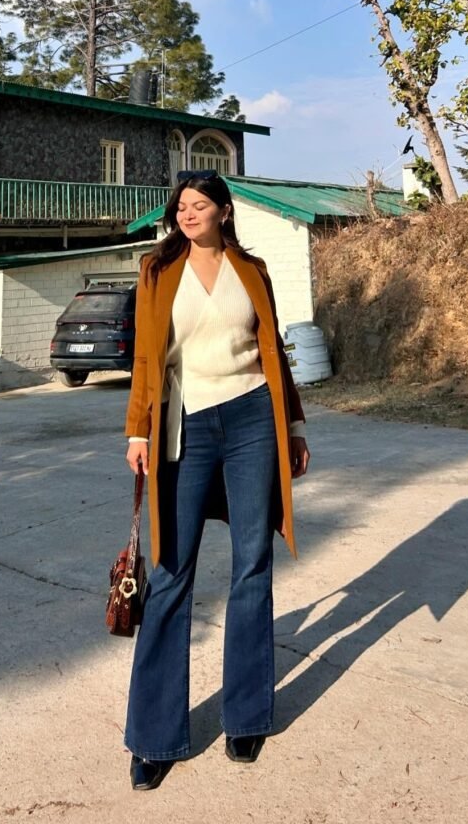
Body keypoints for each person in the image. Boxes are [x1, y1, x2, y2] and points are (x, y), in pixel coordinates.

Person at [124, 170, 310, 790]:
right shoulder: (157, 271)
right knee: (172, 570)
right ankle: (154, 736)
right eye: (181, 206)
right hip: (186, 424)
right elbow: (147, 358)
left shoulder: (251, 270)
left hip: (255, 415)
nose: (188, 214)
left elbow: (273, 350)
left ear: (224, 212)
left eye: (199, 205)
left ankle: (247, 715)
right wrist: (138, 431)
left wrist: (297, 427)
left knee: (252, 563)